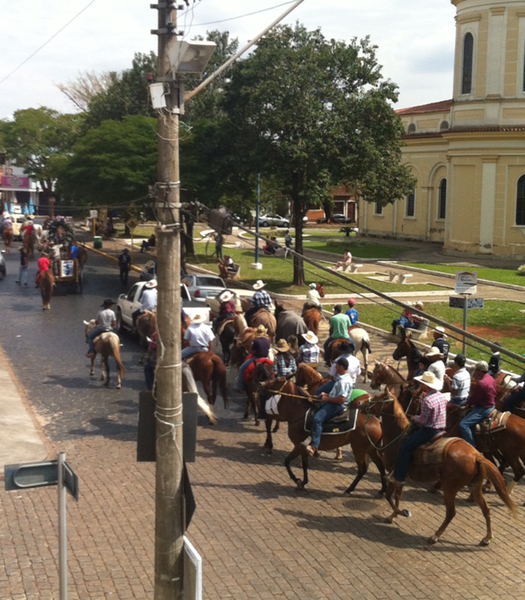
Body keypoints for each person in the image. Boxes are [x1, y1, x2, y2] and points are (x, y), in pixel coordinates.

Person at [389, 370, 448, 487]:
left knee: (405, 447)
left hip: (429, 431)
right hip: (442, 429)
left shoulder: (427, 400)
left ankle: (399, 478)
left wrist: (415, 418)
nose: (421, 385)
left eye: (422, 383)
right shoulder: (441, 396)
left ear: (426, 385)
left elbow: (424, 421)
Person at [306, 357, 353, 457]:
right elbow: (336, 394)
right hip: (333, 401)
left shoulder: (343, 382)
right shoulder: (341, 378)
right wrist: (326, 395)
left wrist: (327, 399)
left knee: (317, 419)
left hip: (337, 406)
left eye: (336, 365)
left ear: (341, 367)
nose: (335, 367)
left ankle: (314, 446)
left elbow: (341, 399)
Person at [459, 360, 496, 448]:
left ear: (479, 370)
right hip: (492, 405)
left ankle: (472, 446)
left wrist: (466, 403)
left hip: (484, 408)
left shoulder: (482, 383)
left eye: (476, 370)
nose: (475, 371)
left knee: (463, 424)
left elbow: (475, 399)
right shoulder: (491, 379)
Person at [236, 324, 271, 392]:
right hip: (266, 358)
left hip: (257, 359)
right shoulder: (268, 340)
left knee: (242, 368)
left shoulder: (255, 341)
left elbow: (252, 352)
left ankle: (240, 387)